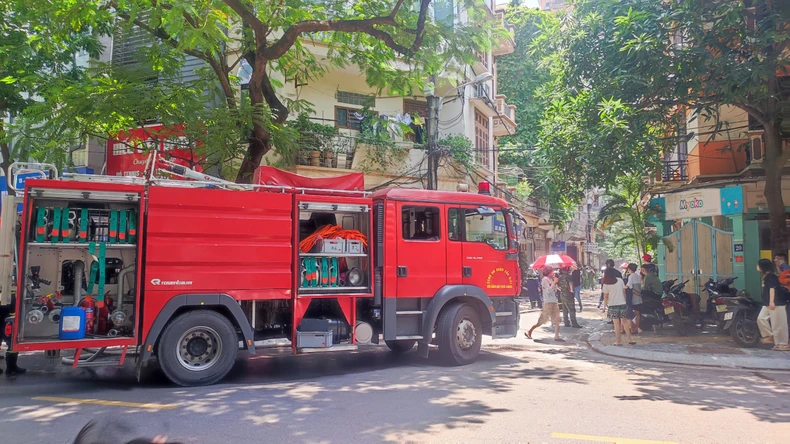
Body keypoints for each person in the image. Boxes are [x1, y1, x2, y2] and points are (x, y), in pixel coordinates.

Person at [756, 259, 790, 351]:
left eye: (758, 265)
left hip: (776, 303)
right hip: (767, 303)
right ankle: (769, 336)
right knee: (761, 318)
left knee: (778, 324)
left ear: (762, 266)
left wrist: (772, 302)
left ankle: (783, 344)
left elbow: (772, 288)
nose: (757, 267)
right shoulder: (767, 276)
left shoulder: (771, 276)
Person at [525, 266, 565, 342]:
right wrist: (554, 283)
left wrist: (556, 286)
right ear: (548, 273)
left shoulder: (551, 279)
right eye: (552, 272)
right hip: (548, 302)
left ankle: (557, 336)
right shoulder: (545, 280)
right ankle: (530, 331)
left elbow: (553, 290)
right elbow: (548, 291)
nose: (553, 273)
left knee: (557, 319)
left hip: (554, 301)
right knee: (542, 320)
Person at [602, 269, 636, 346]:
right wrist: (624, 300)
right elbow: (624, 292)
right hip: (622, 304)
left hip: (612, 305)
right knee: (624, 322)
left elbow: (606, 296)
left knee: (616, 324)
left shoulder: (606, 284)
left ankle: (618, 341)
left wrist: (604, 307)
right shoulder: (620, 280)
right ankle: (630, 339)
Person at [0, 294, 26, 376]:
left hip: (5, 312)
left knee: (10, 340)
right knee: (11, 341)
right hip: (7, 313)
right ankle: (11, 367)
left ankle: (12, 367)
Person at [625, 263, 643, 334]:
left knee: (632, 313)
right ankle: (636, 327)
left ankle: (633, 328)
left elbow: (629, 286)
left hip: (634, 297)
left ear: (629, 269)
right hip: (639, 298)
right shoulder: (637, 276)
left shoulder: (631, 276)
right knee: (637, 313)